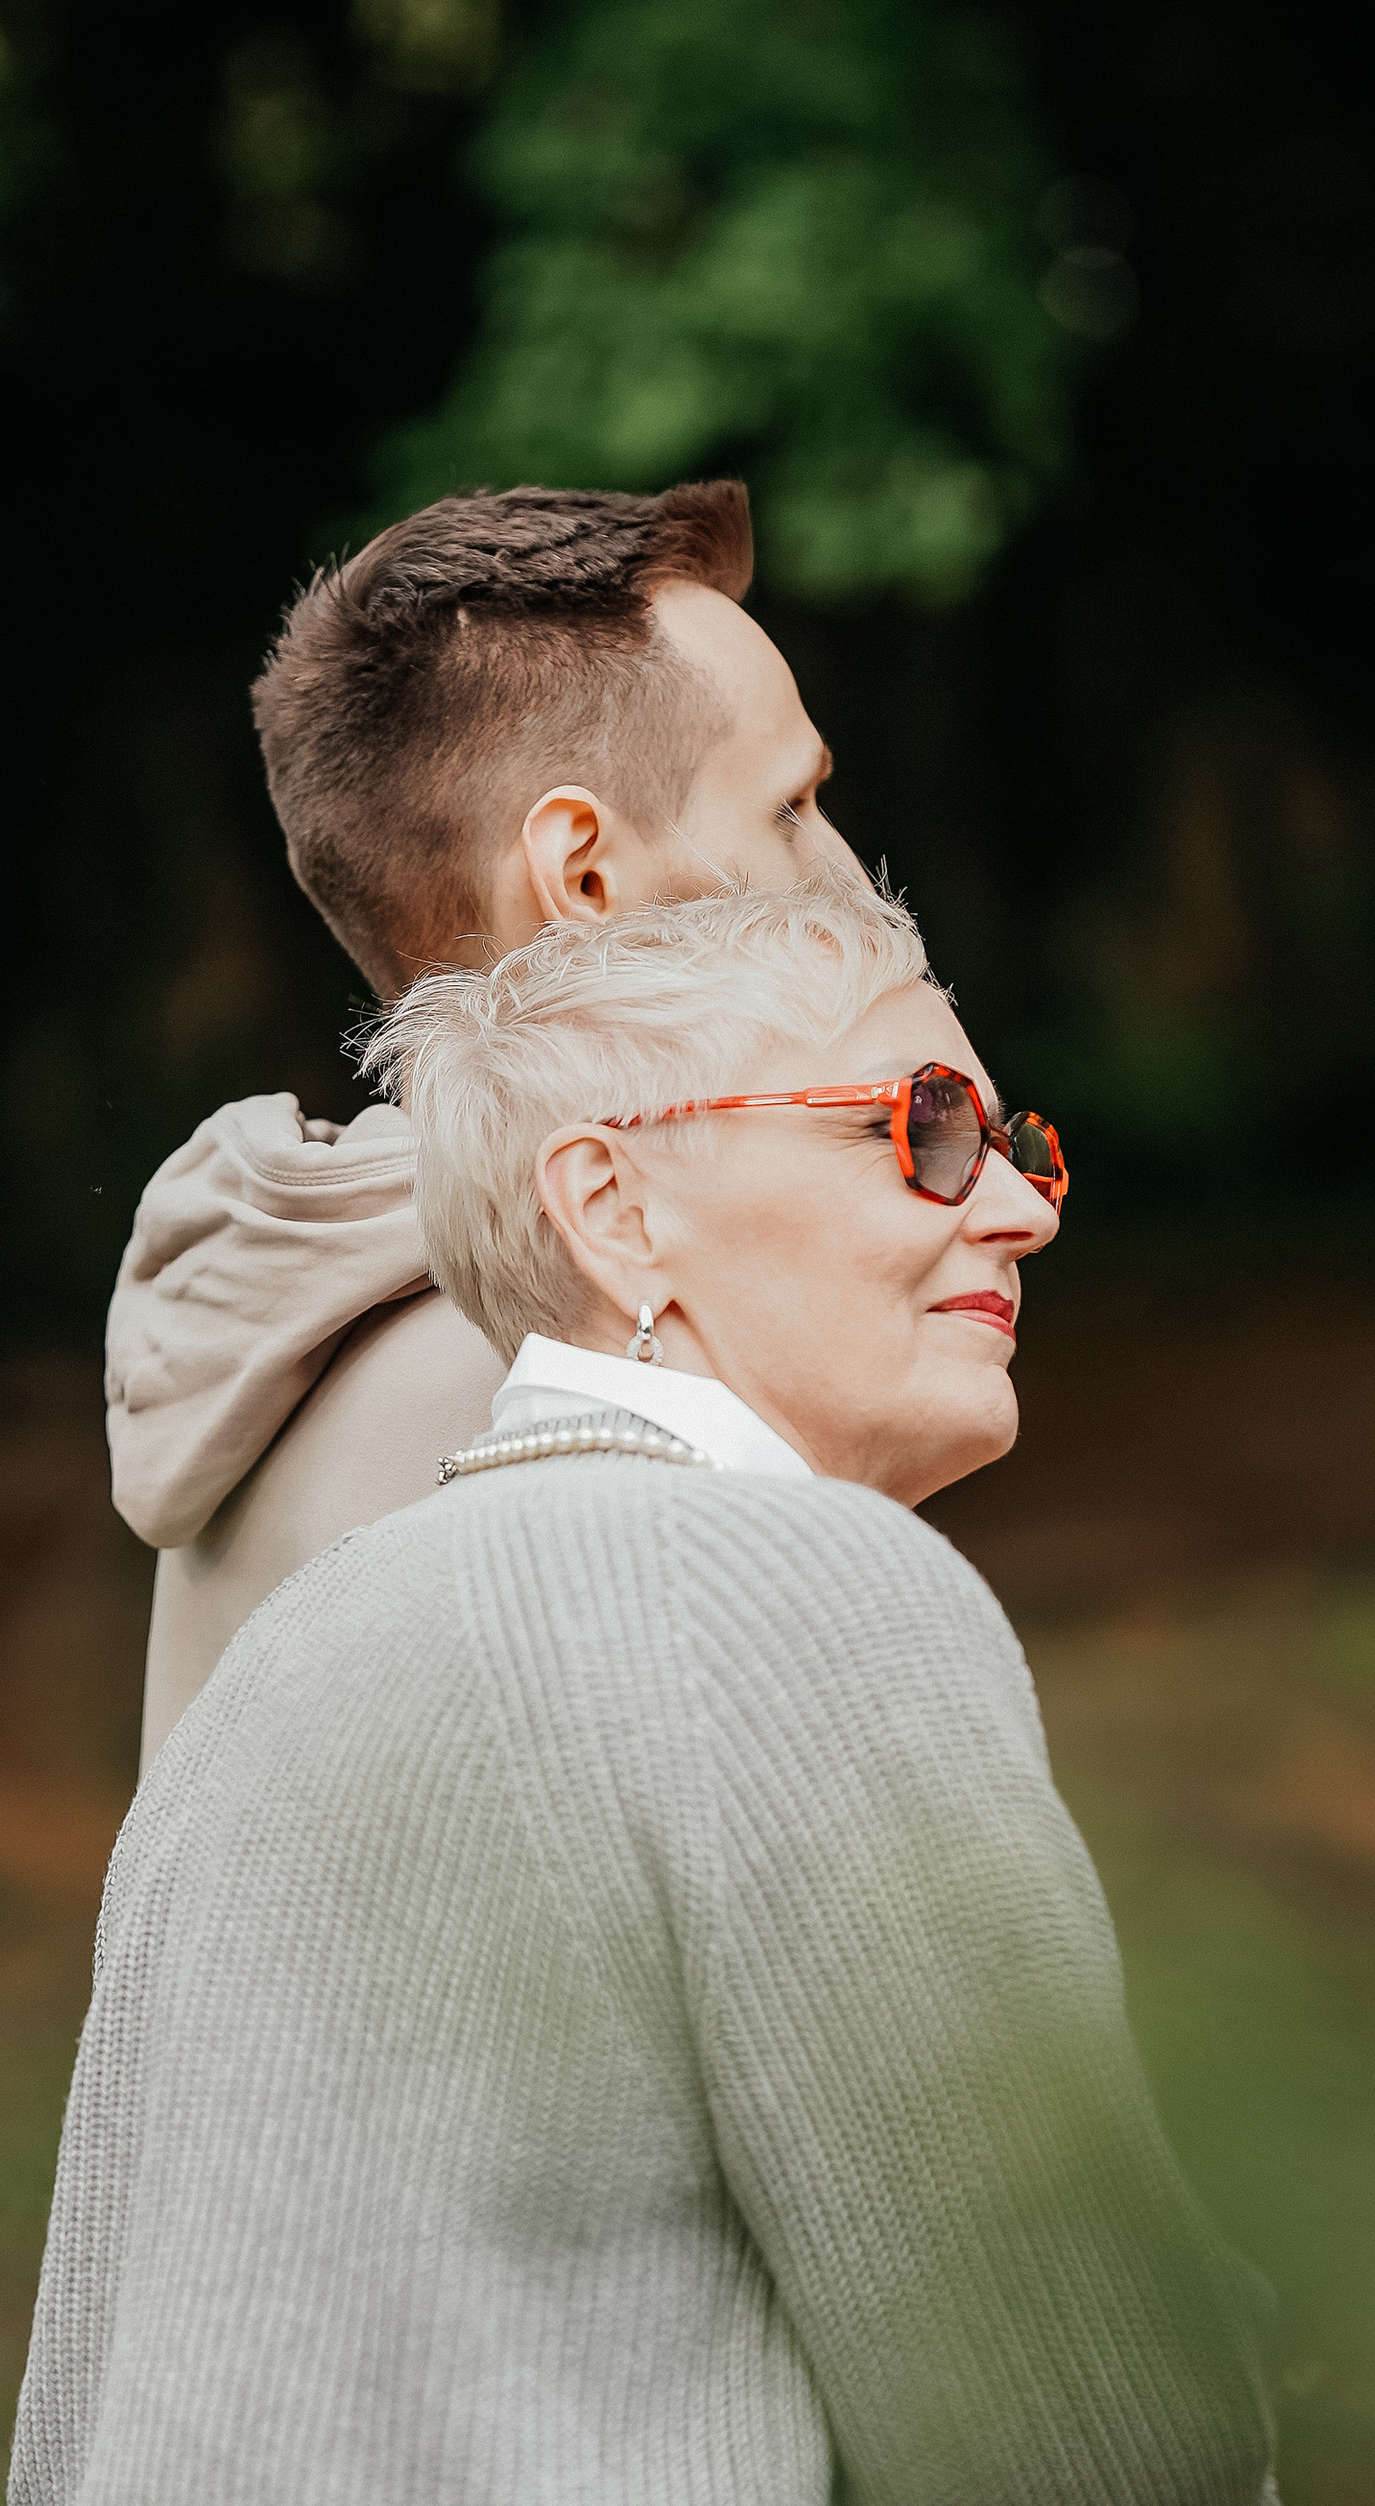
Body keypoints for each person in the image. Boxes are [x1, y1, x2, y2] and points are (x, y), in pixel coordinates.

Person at [0, 878, 1279, 2506]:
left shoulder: (303, 1653)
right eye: (923, 1122)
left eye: (1013, 1131)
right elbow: (1082, 2442)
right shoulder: (799, 1592)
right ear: (610, 1201)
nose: (1016, 1194)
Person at [109, 478, 861, 1768]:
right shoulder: (589, 1363)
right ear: (583, 876)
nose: (845, 876)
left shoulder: (279, 1312)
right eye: (790, 808)